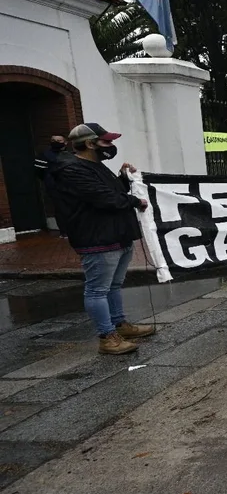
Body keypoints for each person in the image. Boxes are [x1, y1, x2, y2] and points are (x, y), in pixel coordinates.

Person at [49, 123, 155, 355]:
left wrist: (124, 178)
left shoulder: (95, 165)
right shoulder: (72, 169)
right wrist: (135, 202)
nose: (111, 146)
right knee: (97, 289)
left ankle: (119, 325)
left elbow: (114, 191)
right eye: (106, 142)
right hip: (97, 238)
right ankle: (107, 337)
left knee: (114, 285)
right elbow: (103, 198)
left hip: (116, 235)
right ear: (89, 143)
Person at [35, 134, 68, 235]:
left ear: (65, 142)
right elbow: (39, 172)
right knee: (60, 209)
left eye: (59, 140)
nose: (56, 142)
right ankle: (64, 232)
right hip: (54, 188)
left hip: (71, 186)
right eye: (54, 140)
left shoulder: (71, 154)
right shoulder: (43, 156)